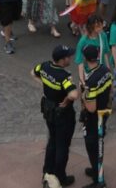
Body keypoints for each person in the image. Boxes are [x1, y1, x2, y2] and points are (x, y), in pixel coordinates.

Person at [35, 43, 80, 188]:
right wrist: (67, 99)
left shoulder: (44, 66)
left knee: (52, 142)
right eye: (68, 57)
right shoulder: (64, 76)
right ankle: (60, 177)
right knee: (62, 146)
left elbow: (33, 72)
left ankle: (47, 172)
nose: (70, 58)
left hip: (48, 111)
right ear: (62, 60)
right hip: (62, 115)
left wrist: (45, 86)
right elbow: (74, 94)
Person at [79, 43, 115, 185]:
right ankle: (96, 169)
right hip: (104, 113)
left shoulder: (91, 81)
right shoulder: (105, 70)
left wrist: (83, 95)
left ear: (85, 59)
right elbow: (112, 89)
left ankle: (98, 179)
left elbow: (91, 108)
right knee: (98, 144)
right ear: (98, 56)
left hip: (94, 118)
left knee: (93, 146)